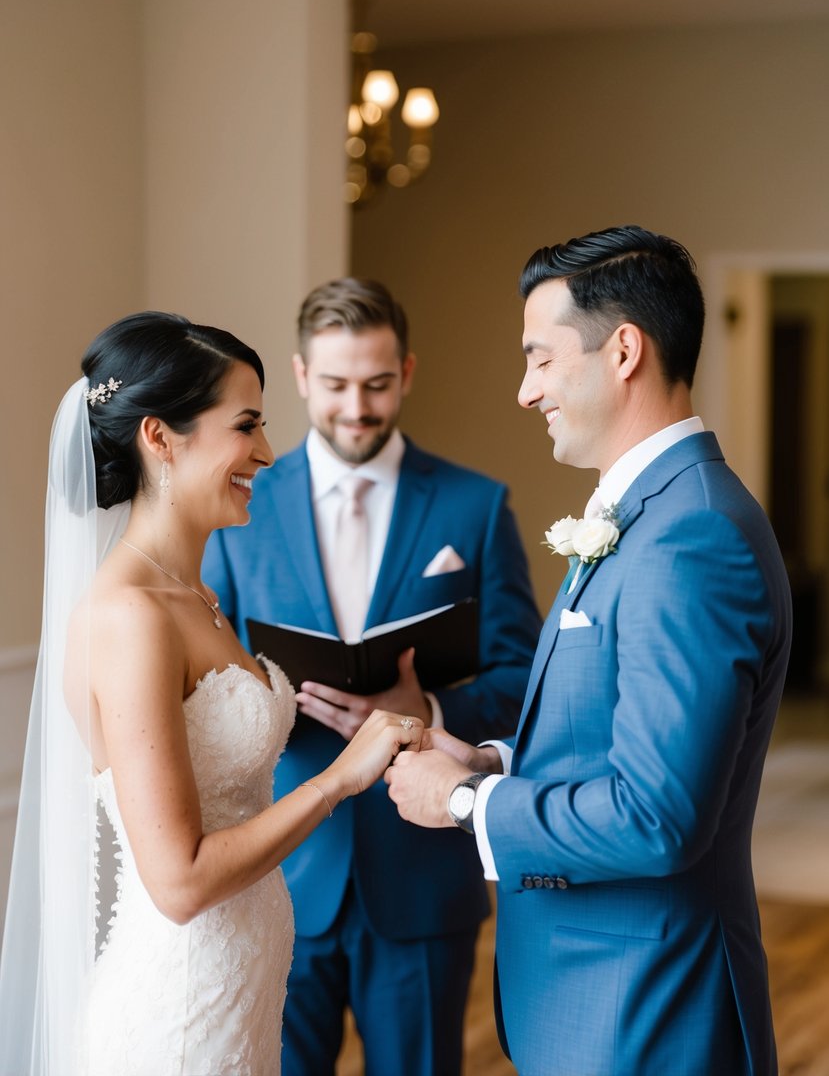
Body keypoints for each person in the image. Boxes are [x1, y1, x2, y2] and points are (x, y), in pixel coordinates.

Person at [387, 225, 792, 1076]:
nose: (525, 391)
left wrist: (466, 802)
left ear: (622, 351)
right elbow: (609, 732)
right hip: (595, 996)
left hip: (645, 1006)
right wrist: (494, 758)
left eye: (540, 359)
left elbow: (657, 819)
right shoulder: (648, 513)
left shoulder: (692, 535)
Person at [0, 311, 424, 1076]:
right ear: (161, 438)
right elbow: (181, 880)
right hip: (179, 1017)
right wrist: (338, 780)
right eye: (246, 426)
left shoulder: (194, 597)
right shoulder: (130, 614)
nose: (265, 452)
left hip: (239, 996)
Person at [202, 277, 541, 1076]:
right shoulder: (239, 503)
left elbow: (526, 677)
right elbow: (205, 670)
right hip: (280, 872)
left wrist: (423, 705)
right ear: (298, 377)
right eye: (336, 385)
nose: (357, 406)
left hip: (422, 876)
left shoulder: (475, 506)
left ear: (407, 372)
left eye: (377, 384)